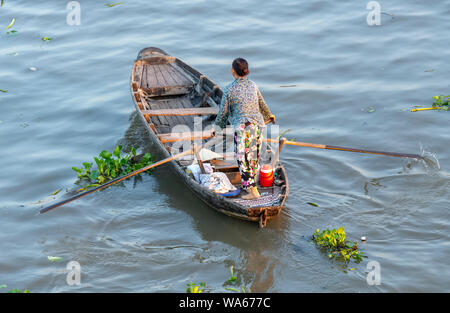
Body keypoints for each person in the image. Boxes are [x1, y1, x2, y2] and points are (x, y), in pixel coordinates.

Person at [214, 58, 275, 200]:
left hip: (242, 127)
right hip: (258, 125)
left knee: (243, 158)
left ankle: (252, 191)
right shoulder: (253, 85)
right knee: (253, 156)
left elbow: (223, 113)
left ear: (232, 71)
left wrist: (217, 128)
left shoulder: (229, 88)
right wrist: (269, 115)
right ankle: (252, 185)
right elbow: (262, 104)